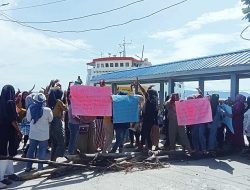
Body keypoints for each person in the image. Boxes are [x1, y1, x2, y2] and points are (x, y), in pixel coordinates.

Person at [0, 85, 22, 188]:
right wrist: (19, 131)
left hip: (2, 132)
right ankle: (1, 177)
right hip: (8, 132)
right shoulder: (10, 103)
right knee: (5, 154)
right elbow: (13, 120)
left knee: (6, 154)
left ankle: (9, 172)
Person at [25, 93, 53, 172]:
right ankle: (40, 168)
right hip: (44, 135)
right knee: (42, 150)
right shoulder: (48, 110)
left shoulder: (30, 108)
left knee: (31, 150)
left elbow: (28, 119)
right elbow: (50, 120)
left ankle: (28, 167)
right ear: (44, 101)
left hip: (33, 134)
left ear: (35, 100)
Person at [48, 89, 68, 161]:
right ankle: (58, 159)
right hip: (57, 121)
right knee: (61, 142)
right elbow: (66, 108)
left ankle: (52, 159)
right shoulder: (58, 101)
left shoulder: (50, 101)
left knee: (54, 142)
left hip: (51, 122)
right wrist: (65, 98)